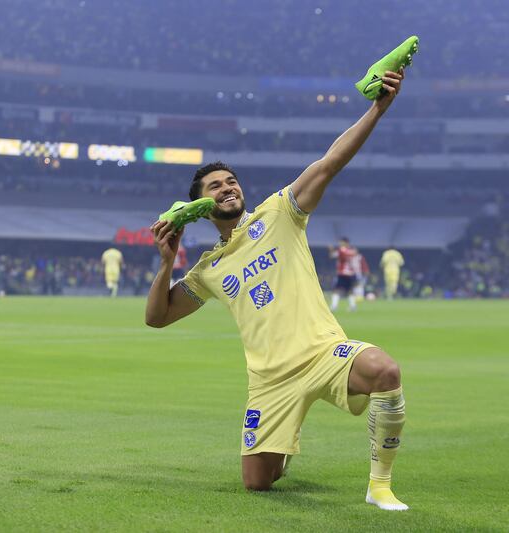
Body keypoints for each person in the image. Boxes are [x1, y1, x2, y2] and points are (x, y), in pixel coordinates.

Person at [146, 68, 408, 510]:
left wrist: (378, 108)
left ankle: (379, 486)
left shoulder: (280, 212)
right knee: (257, 484)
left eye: (231, 181)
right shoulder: (209, 267)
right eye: (215, 186)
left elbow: (329, 163)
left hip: (323, 352)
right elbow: (157, 317)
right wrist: (167, 263)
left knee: (386, 371)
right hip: (269, 380)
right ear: (201, 205)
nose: (227, 188)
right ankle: (281, 445)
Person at [329, 237, 359, 311]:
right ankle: (353, 306)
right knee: (349, 291)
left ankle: (334, 306)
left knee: (337, 290)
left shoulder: (342, 250)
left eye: (341, 242)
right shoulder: (352, 251)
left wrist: (331, 250)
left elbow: (333, 255)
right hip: (350, 273)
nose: (340, 244)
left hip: (343, 274)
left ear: (346, 243)